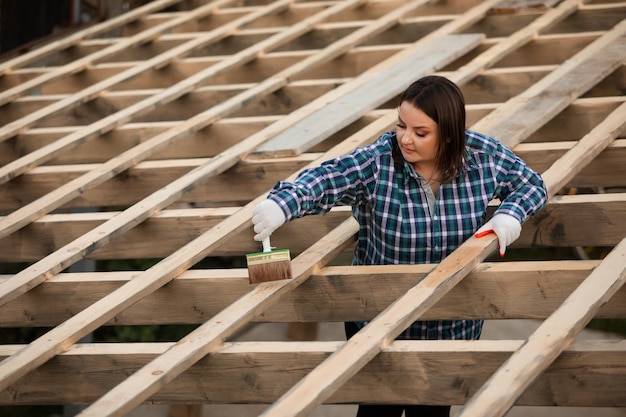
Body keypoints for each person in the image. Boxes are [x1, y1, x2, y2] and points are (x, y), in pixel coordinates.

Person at [251, 75, 548, 417]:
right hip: (378, 320)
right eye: (401, 125)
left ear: (450, 135)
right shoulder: (379, 161)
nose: (405, 139)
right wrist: (283, 204)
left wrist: (511, 214)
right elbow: (328, 178)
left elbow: (532, 184)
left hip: (450, 325)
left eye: (420, 133)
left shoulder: (484, 157)